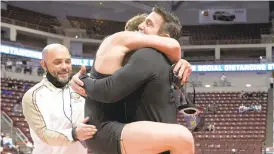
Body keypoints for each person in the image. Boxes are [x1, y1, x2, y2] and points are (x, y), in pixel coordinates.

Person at [72, 6, 193, 154]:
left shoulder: (150, 60)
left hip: (116, 127)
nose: (139, 29)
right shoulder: (122, 41)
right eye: (135, 30)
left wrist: (180, 63)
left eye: (148, 24)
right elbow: (108, 91)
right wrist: (83, 80)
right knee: (183, 137)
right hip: (103, 129)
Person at [22, 44, 98, 154]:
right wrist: (74, 134)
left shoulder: (79, 89)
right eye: (57, 62)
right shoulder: (34, 96)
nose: (64, 67)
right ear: (44, 64)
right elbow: (45, 134)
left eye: (68, 61)